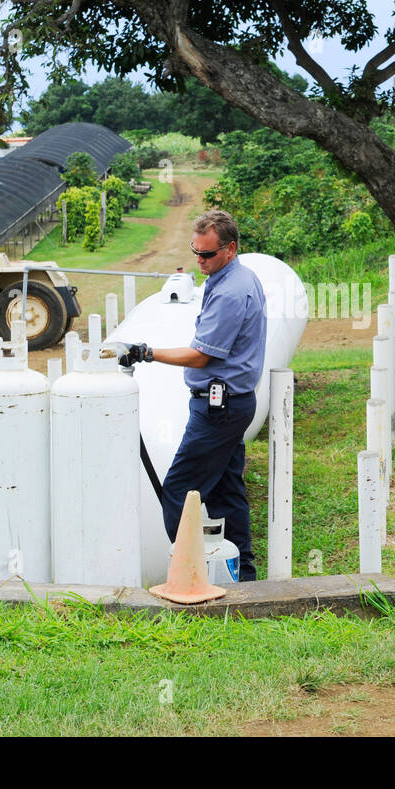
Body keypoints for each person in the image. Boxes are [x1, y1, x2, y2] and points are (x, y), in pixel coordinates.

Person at [118, 210, 267, 580]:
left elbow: (202, 355)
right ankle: (240, 575)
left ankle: (191, 575)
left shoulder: (232, 291)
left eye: (207, 254)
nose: (200, 261)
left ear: (230, 249)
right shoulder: (234, 276)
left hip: (219, 408)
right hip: (231, 403)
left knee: (179, 491)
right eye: (195, 252)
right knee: (227, 492)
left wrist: (148, 352)